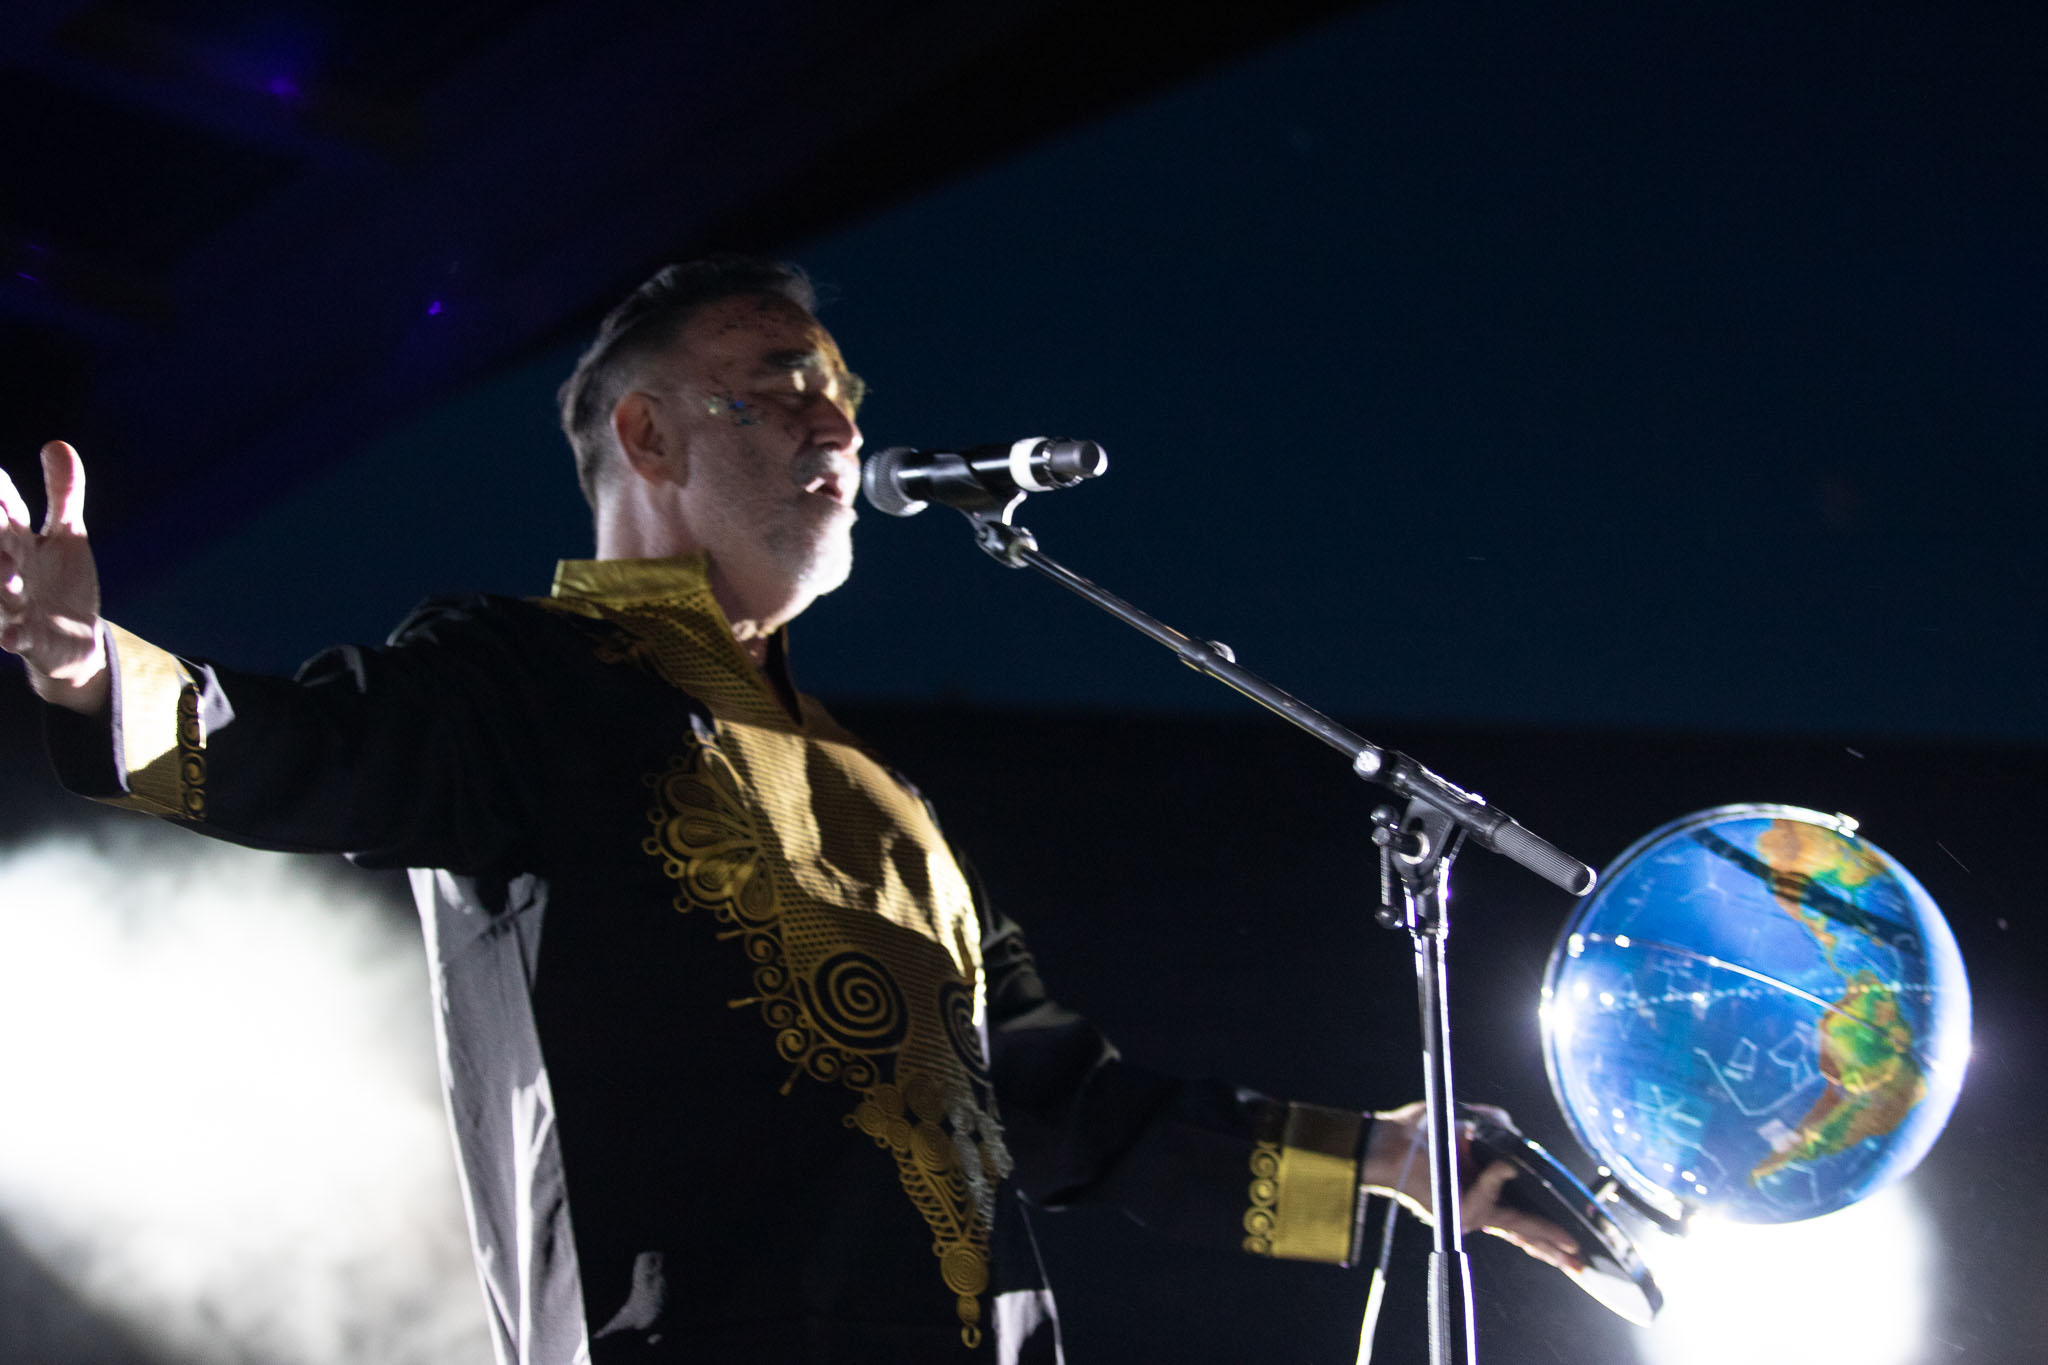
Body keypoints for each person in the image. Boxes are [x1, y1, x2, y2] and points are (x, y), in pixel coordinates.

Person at [0, 257, 1577, 1364]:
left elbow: (1069, 1112)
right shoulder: (521, 679)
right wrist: (85, 663)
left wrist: (1385, 1157)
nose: (839, 425)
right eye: (781, 388)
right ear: (647, 435)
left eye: (842, 393)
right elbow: (301, 747)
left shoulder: (890, 805)